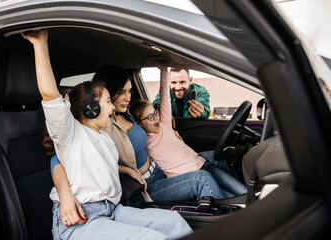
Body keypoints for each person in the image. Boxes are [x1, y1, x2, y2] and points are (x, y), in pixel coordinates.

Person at [22, 29, 192, 240]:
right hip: (81, 220)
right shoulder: (71, 134)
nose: (113, 108)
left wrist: (127, 170)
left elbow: (99, 162)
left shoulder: (103, 137)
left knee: (174, 222)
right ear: (91, 108)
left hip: (111, 210)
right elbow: (49, 94)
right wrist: (40, 44)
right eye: (108, 102)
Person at [50, 65, 228, 227]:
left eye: (130, 91)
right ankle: (230, 224)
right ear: (107, 94)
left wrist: (167, 128)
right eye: (122, 92)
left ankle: (240, 203)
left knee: (215, 157)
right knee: (202, 178)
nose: (128, 97)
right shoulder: (100, 124)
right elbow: (58, 158)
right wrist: (65, 194)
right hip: (147, 184)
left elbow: (149, 120)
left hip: (162, 169)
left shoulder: (127, 114)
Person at [130, 62, 247, 197]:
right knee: (233, 200)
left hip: (205, 165)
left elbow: (165, 99)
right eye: (150, 117)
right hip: (193, 174)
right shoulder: (143, 140)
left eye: (155, 113)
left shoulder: (164, 124)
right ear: (139, 124)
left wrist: (163, 70)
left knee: (243, 193)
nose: (156, 118)